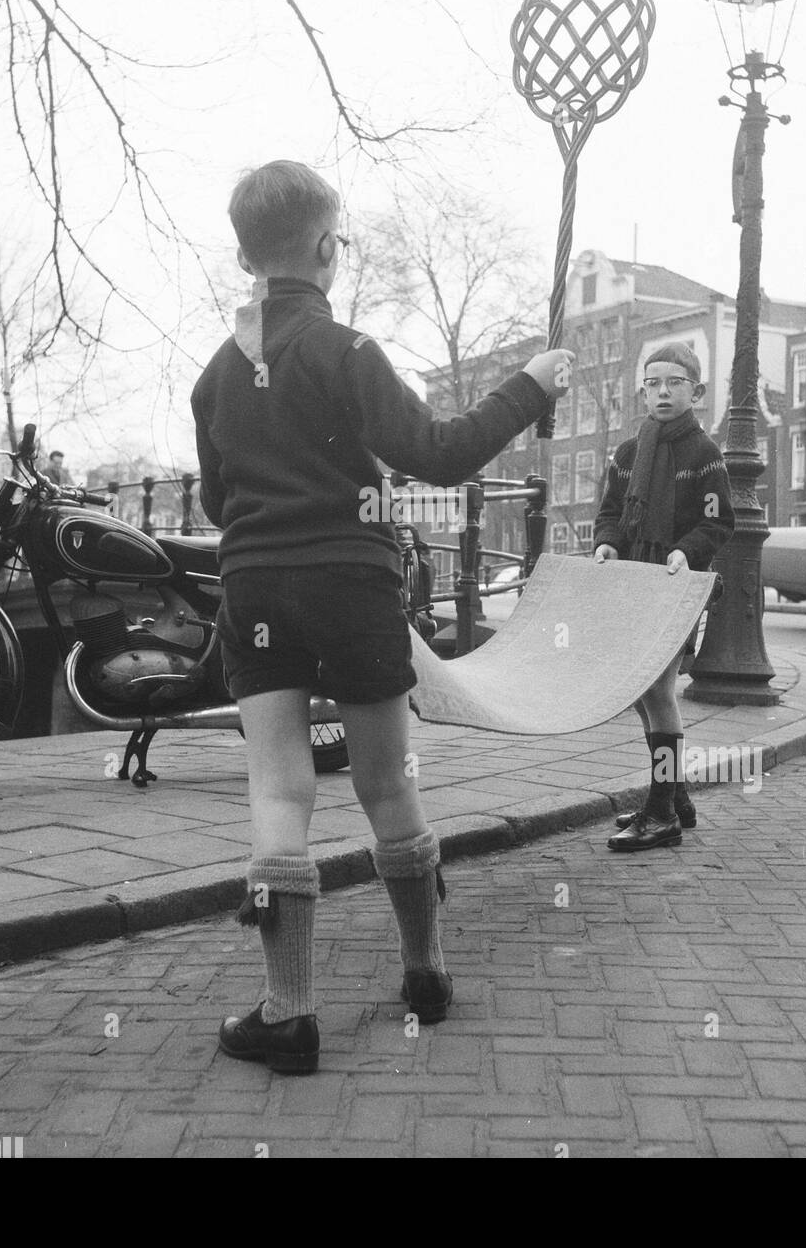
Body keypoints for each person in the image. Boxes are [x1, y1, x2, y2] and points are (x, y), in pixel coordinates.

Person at [192, 159, 573, 1073]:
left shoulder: (212, 375)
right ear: (326, 248)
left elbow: (215, 499)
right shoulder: (349, 352)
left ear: (246, 256)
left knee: (280, 792)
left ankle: (287, 1013)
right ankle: (425, 972)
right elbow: (439, 455)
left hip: (253, 587)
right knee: (386, 787)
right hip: (352, 586)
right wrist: (530, 385)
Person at [592, 341, 734, 854]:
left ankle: (661, 812)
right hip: (635, 583)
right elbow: (610, 510)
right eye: (652, 383)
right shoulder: (630, 452)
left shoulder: (705, 455)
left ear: (695, 392)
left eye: (674, 383)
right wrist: (607, 540)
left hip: (676, 585)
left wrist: (684, 551)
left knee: (657, 693)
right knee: (642, 692)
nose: (662, 393)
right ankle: (676, 798)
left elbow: (718, 521)